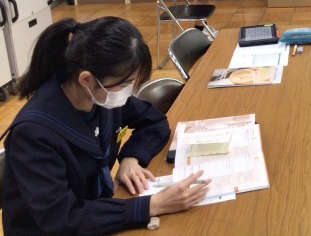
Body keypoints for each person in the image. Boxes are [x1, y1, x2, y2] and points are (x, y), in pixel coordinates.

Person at [2, 17, 210, 235]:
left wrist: (132, 158)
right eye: (124, 84)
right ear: (86, 79)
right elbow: (61, 218)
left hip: (96, 215)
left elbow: (154, 120)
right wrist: (152, 205)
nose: (127, 91)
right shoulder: (34, 134)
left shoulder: (99, 96)